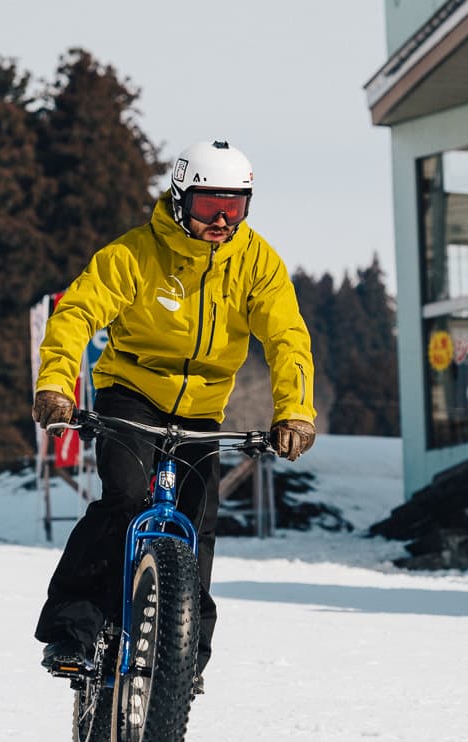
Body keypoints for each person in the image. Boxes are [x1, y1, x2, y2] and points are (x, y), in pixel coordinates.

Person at [32, 139, 316, 694]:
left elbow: (287, 338)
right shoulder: (134, 255)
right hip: (130, 393)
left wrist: (295, 412)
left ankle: (186, 660)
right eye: (210, 204)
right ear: (180, 197)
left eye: (235, 207)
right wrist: (56, 385)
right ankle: (74, 628)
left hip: (204, 408)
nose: (222, 220)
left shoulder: (257, 264)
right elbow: (77, 314)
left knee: (198, 524)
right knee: (127, 497)